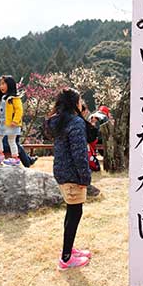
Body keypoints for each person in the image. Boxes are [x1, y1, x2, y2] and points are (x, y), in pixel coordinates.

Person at [47, 88, 92, 270]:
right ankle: (66, 259)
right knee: (75, 214)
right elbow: (80, 153)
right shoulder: (75, 122)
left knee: (72, 211)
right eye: (80, 100)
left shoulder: (57, 122)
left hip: (62, 172)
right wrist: (85, 177)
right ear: (75, 103)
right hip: (73, 174)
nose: (81, 103)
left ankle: (69, 250)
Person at [0, 75, 23, 166]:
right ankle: (0, 154)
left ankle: (15, 158)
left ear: (10, 85)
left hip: (12, 124)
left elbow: (19, 110)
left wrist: (15, 121)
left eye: (3, 84)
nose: (1, 87)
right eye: (0, 84)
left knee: (11, 141)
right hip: (3, 123)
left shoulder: (14, 98)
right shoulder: (1, 98)